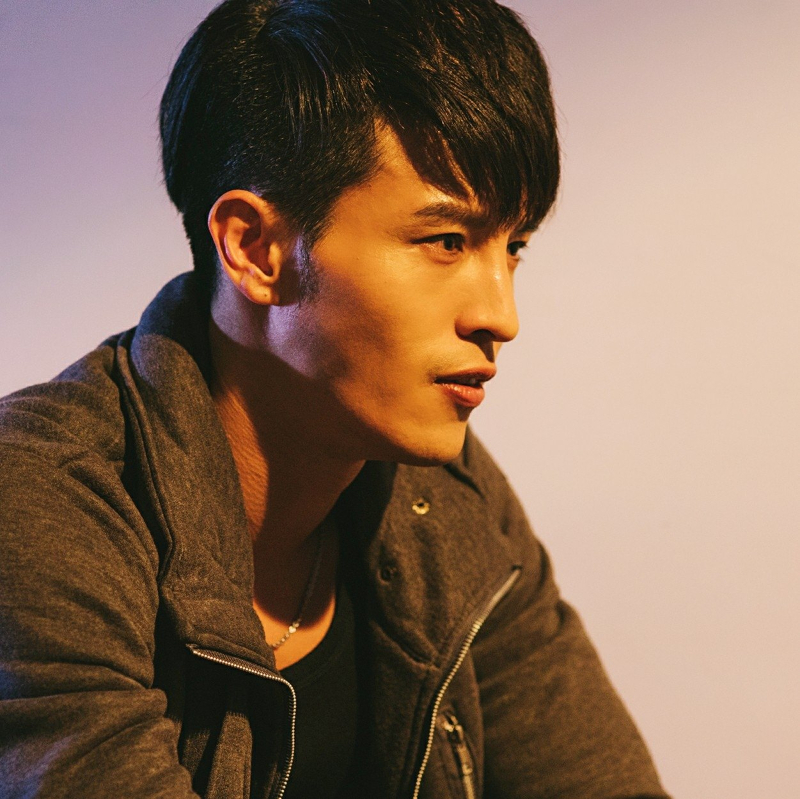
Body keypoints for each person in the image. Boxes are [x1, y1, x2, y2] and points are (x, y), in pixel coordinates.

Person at [0, 0, 670, 796]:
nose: (501, 315)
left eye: (512, 245)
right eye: (446, 241)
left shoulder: (446, 496)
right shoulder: (44, 505)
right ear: (256, 249)